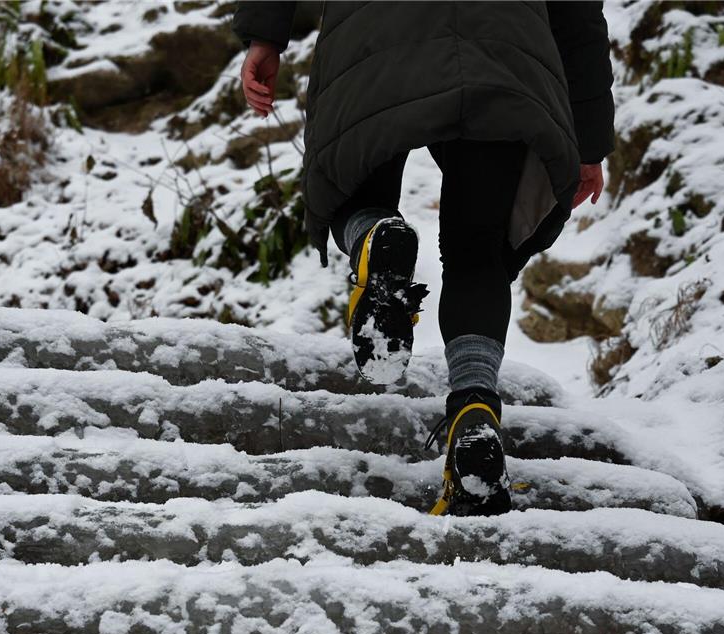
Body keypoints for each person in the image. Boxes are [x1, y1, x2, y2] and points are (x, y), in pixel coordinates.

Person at [232, 1, 614, 517]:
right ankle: (475, 414)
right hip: (504, 42)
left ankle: (375, 235)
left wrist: (264, 36)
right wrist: (589, 139)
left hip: (373, 34)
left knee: (352, 194)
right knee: (478, 249)